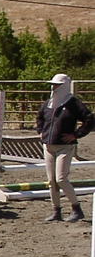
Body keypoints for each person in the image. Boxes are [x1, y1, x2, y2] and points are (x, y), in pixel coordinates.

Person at [36, 73, 94, 222]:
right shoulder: (48, 103)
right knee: (52, 181)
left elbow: (89, 119)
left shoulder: (73, 103)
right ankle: (56, 210)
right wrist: (41, 131)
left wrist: (76, 135)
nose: (54, 87)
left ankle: (76, 208)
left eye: (57, 85)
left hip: (65, 147)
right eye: (53, 85)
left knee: (61, 179)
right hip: (48, 146)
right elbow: (40, 117)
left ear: (64, 86)